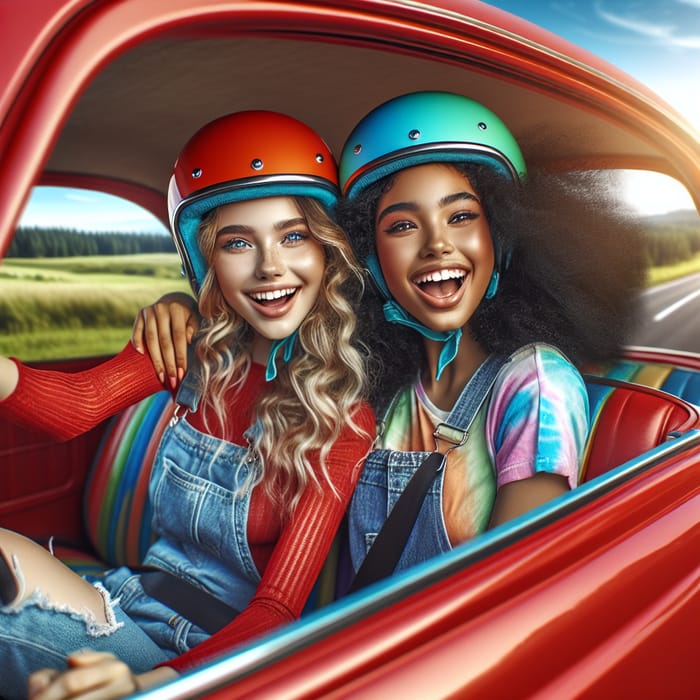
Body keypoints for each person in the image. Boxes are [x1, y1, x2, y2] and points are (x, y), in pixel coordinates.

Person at [0, 110, 375, 699]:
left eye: (293, 235)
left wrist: (147, 686)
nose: (270, 265)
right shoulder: (192, 351)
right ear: (208, 264)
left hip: (192, 655)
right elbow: (73, 408)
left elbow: (276, 612)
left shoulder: (343, 418)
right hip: (125, 598)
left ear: (327, 252)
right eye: (237, 243)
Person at [334, 90, 645, 577]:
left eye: (461, 216)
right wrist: (182, 311)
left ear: (499, 237)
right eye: (401, 226)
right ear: (370, 260)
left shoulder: (536, 384)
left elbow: (510, 589)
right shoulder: (383, 384)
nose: (437, 244)